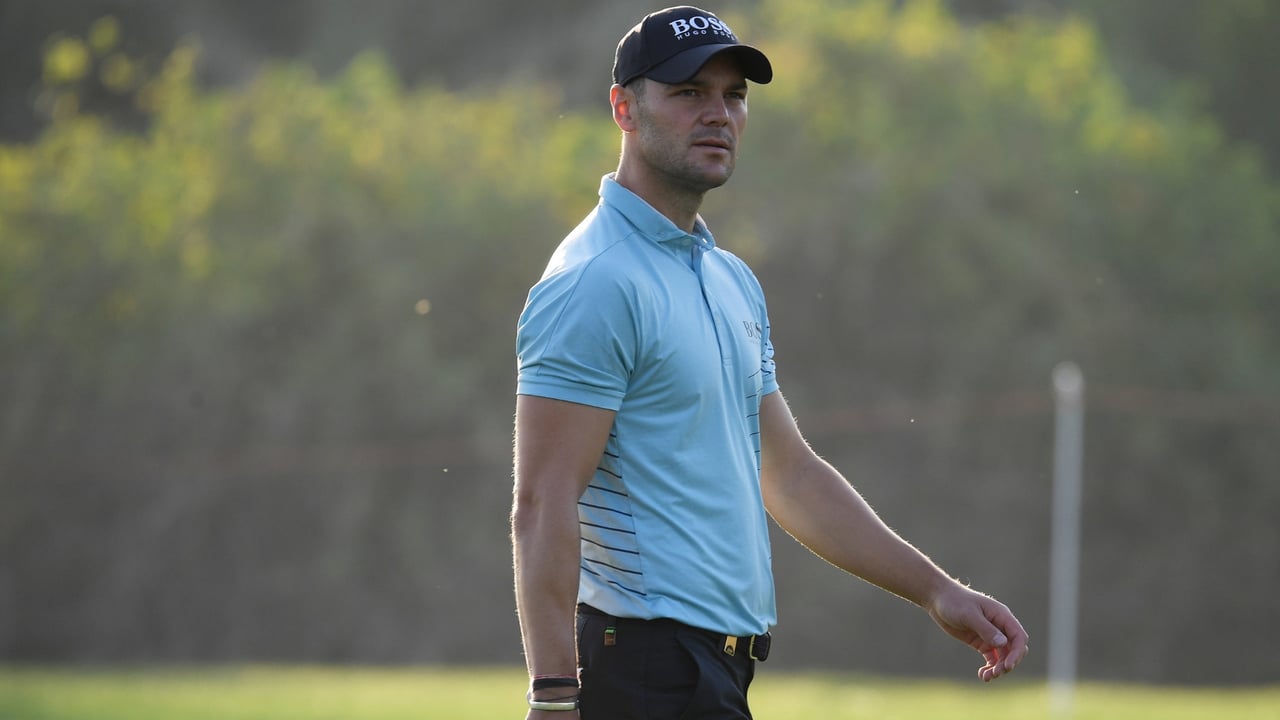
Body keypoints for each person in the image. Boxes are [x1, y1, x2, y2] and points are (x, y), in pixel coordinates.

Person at [511, 6, 1028, 718]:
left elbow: (789, 473)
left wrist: (936, 589)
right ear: (624, 109)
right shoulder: (595, 280)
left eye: (734, 95)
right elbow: (542, 503)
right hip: (639, 671)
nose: (718, 113)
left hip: (715, 675)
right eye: (689, 93)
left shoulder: (730, 280)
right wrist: (553, 694)